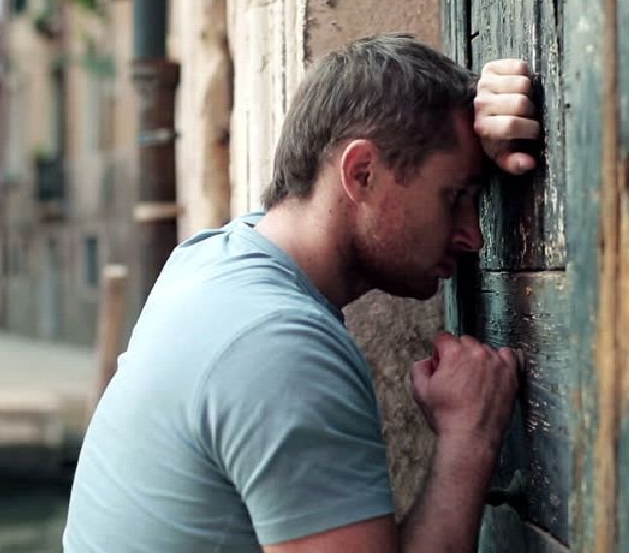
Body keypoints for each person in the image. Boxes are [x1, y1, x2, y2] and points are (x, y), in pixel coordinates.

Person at [63, 33, 540, 553]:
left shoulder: (211, 259)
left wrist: (485, 103)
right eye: (456, 196)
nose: (472, 235)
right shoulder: (277, 347)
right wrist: (469, 438)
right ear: (362, 172)